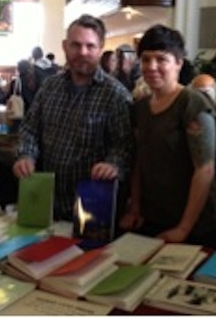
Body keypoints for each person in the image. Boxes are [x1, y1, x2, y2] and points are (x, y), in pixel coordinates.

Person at [13, 14, 133, 221]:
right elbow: (29, 129)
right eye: (76, 45)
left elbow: (125, 145)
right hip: (47, 203)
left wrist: (113, 164)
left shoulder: (115, 95)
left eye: (90, 46)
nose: (82, 52)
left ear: (100, 48)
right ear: (64, 46)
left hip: (91, 208)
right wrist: (26, 155)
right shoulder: (50, 87)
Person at [119, 24, 216, 244]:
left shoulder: (192, 103)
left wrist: (183, 228)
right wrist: (135, 207)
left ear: (178, 63)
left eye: (161, 59)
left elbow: (205, 170)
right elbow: (139, 160)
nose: (151, 66)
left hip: (194, 226)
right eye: (146, 59)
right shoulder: (141, 107)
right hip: (154, 218)